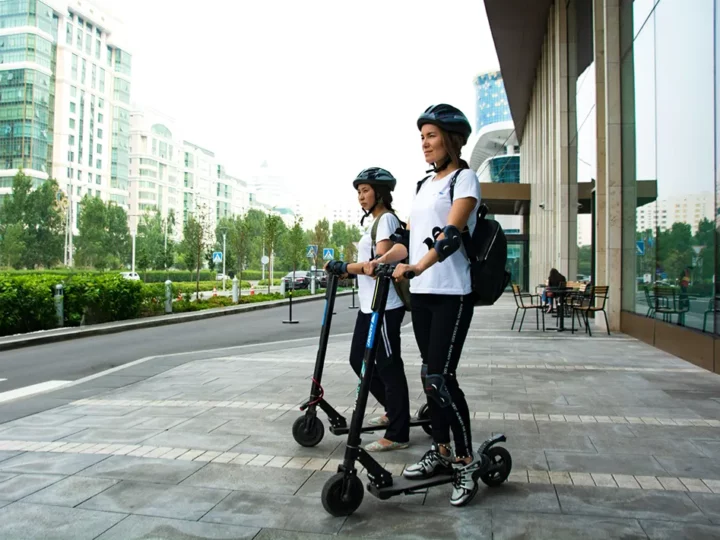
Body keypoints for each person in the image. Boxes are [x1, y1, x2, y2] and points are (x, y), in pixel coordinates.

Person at [371, 104, 484, 507]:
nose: (424, 143)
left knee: (442, 378)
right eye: (421, 137)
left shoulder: (464, 178)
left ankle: (466, 461)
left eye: (431, 135)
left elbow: (451, 234)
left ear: (451, 140)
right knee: (428, 378)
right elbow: (410, 238)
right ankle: (441, 450)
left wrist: (417, 266)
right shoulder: (423, 186)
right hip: (422, 294)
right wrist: (384, 261)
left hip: (452, 291)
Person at [325, 167, 411, 452]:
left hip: (385, 306)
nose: (361, 197)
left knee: (388, 365)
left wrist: (345, 267)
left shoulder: (385, 220)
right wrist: (348, 271)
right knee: (356, 359)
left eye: (365, 191)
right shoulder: (375, 222)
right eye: (359, 192)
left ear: (380, 193)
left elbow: (378, 267)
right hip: (369, 306)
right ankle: (393, 408)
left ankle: (398, 431)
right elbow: (367, 266)